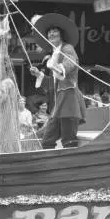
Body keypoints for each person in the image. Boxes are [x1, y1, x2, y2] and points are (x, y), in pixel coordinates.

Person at [30, 14, 86, 149]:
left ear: (61, 34)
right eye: (49, 32)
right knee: (47, 141)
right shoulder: (55, 54)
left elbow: (70, 63)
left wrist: (59, 68)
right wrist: (39, 74)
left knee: (69, 142)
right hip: (58, 106)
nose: (51, 33)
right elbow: (53, 84)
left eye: (55, 31)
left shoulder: (67, 48)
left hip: (69, 102)